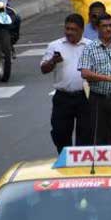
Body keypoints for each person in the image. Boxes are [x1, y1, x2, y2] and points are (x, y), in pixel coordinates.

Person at [40, 13, 92, 153]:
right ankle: (64, 161)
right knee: (60, 132)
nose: (69, 32)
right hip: (63, 98)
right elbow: (44, 69)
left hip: (85, 97)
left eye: (73, 29)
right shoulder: (55, 46)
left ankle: (82, 166)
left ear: (81, 30)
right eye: (67, 29)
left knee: (86, 135)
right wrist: (53, 61)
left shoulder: (91, 46)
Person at [78, 14, 111, 145]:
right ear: (97, 28)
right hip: (97, 99)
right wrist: (108, 78)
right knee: (98, 136)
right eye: (104, 26)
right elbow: (85, 73)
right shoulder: (90, 48)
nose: (108, 29)